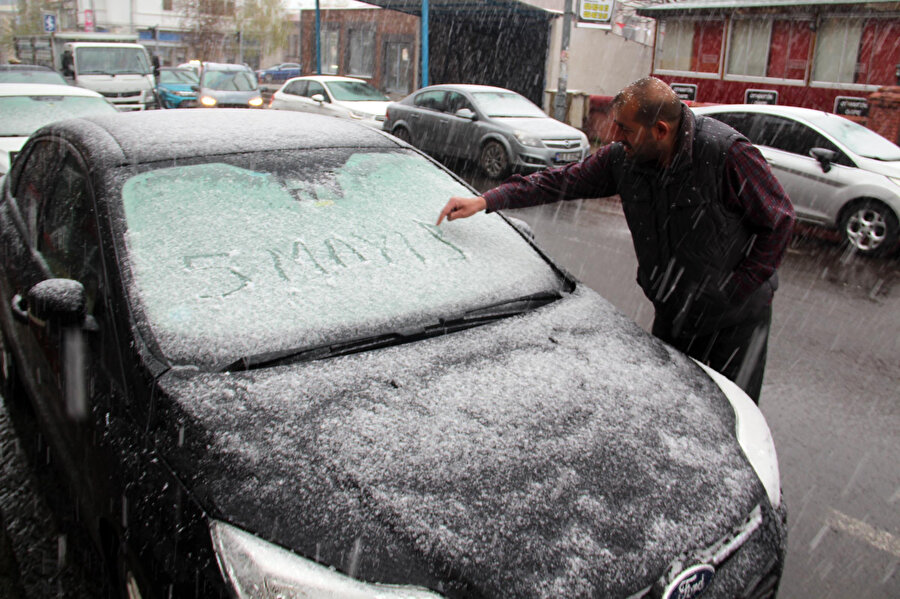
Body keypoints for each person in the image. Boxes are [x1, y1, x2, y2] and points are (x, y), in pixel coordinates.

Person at [436, 77, 795, 403]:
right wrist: (487, 200)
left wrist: (734, 290)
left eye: (625, 129)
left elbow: (779, 221)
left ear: (660, 130)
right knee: (672, 406)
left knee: (731, 415)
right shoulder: (625, 160)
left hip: (734, 324)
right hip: (675, 313)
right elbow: (560, 181)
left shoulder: (724, 153)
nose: (614, 137)